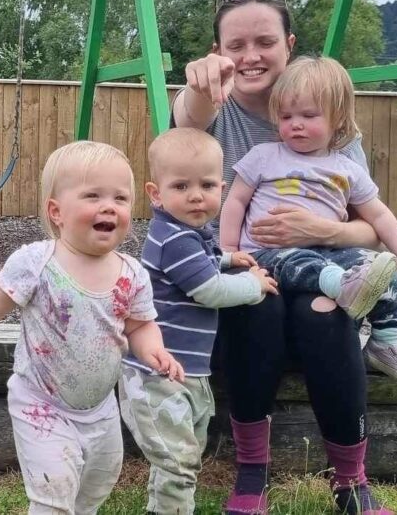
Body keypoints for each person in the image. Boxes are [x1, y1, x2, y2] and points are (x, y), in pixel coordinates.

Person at [174, 0, 397, 514]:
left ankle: (350, 481)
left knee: (327, 318)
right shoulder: (214, 105)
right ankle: (252, 471)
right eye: (235, 46)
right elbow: (187, 121)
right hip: (234, 265)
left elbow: (369, 228)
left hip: (320, 263)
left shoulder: (332, 126)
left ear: (289, 44)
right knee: (258, 305)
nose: (250, 56)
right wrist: (197, 83)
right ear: (218, 54)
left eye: (264, 41)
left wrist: (318, 229)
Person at [0, 140, 184, 515]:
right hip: (41, 403)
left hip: (99, 407)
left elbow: (139, 326)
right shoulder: (37, 263)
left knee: (99, 479)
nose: (109, 206)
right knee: (54, 487)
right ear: (56, 211)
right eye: (92, 196)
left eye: (120, 198)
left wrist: (156, 352)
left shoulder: (132, 274)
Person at [120, 128, 277, 515]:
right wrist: (252, 284)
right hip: (156, 374)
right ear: (156, 193)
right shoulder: (173, 238)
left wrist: (227, 259)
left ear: (222, 188)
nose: (195, 195)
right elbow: (209, 291)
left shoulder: (189, 233)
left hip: (184, 371)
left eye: (207, 184)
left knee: (182, 454)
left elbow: (203, 262)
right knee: (179, 460)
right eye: (181, 186)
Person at [221, 56, 397, 336]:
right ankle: (341, 286)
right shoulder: (264, 157)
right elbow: (236, 200)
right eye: (286, 117)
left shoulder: (347, 169)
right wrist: (229, 249)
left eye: (308, 115)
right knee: (299, 261)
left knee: (379, 266)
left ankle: (388, 338)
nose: (295, 125)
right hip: (267, 254)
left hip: (327, 254)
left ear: (337, 118)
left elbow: (378, 214)